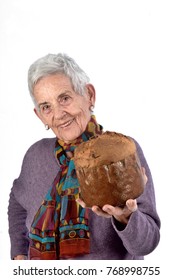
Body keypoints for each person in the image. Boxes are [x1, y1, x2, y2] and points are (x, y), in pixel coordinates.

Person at [8, 53, 160, 260]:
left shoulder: (121, 152)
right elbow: (17, 200)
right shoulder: (35, 155)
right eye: (46, 107)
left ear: (89, 95)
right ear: (39, 115)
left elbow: (147, 243)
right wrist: (18, 251)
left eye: (65, 98)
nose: (59, 113)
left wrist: (126, 217)